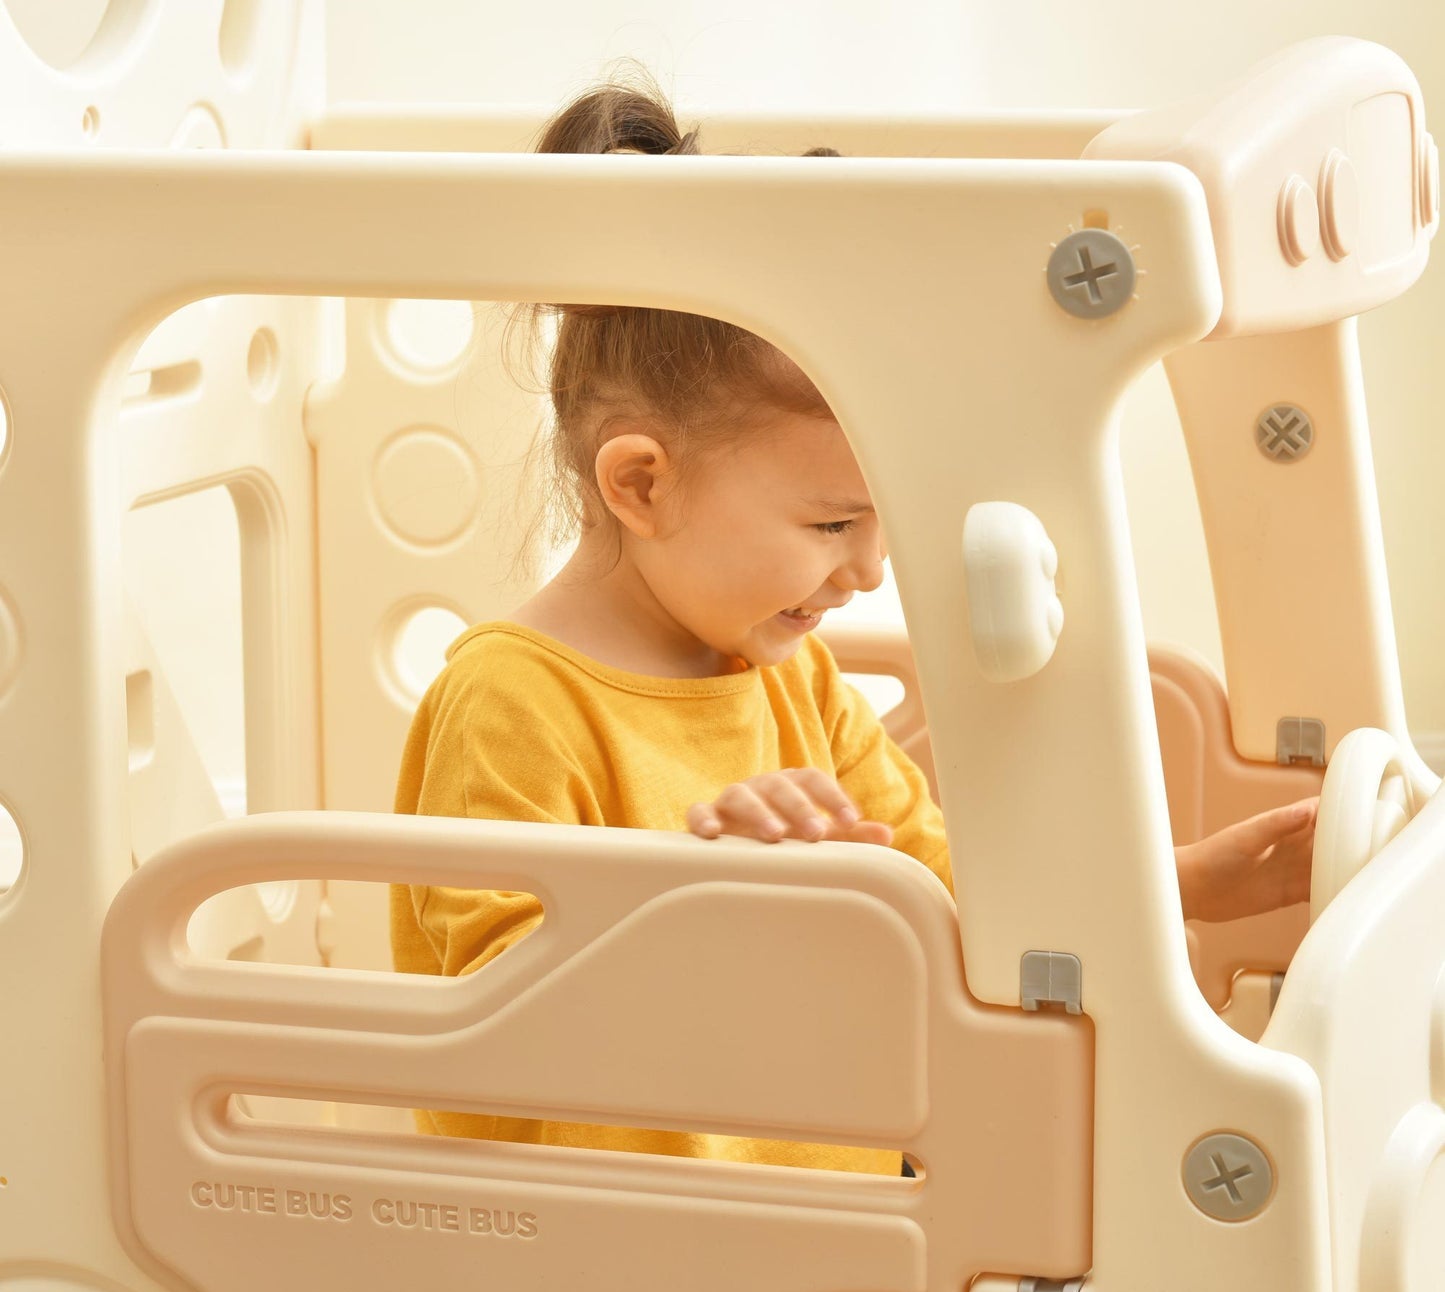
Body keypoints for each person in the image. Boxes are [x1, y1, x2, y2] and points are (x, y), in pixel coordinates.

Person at [389, 75, 1318, 1175]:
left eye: (887, 519)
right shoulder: (511, 703)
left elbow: (950, 893)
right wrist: (697, 900)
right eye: (832, 519)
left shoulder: (797, 681)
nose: (869, 569)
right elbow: (496, 1032)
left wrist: (1183, 883)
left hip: (842, 1229)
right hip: (619, 1247)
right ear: (639, 483)